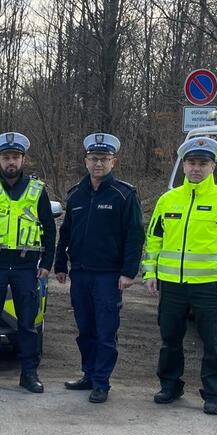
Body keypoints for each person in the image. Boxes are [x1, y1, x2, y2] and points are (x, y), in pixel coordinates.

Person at [142, 136, 217, 415]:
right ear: (183, 166)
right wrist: (150, 273)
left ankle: (213, 394)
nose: (196, 169)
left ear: (213, 166)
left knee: (214, 343)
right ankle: (169, 386)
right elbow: (154, 240)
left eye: (202, 163)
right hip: (172, 286)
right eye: (191, 163)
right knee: (170, 340)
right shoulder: (168, 200)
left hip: (209, 286)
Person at [53, 133, 145, 403]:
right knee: (85, 329)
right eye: (94, 158)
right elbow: (66, 232)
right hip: (80, 273)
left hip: (108, 275)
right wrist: (60, 264)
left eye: (104, 159)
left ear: (113, 162)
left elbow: (134, 236)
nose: (98, 164)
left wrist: (128, 272)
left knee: (105, 331)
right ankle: (89, 374)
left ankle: (102, 382)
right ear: (86, 161)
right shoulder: (76, 194)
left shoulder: (124, 194)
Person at [0, 131, 56, 394]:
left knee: (27, 324)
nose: (11, 162)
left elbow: (49, 229)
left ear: (23, 159)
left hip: (27, 267)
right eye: (6, 157)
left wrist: (46, 264)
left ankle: (29, 374)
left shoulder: (37, 190)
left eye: (15, 157)